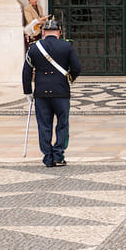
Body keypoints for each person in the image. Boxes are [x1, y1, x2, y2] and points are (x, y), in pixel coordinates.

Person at [22, 16, 81, 167]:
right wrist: (69, 79)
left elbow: (26, 72)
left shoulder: (34, 48)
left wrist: (28, 91)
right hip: (61, 92)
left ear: (43, 32)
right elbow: (76, 68)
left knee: (44, 125)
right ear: (59, 32)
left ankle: (48, 156)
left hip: (41, 93)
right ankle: (58, 155)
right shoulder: (66, 46)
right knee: (62, 124)